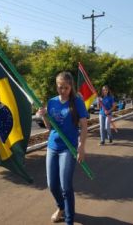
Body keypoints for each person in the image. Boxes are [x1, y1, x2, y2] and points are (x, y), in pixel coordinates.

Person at [37, 71, 88, 224]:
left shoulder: (77, 102)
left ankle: (69, 220)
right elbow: (49, 127)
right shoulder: (52, 102)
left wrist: (81, 146)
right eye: (60, 87)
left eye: (66, 88)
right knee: (52, 185)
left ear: (71, 86)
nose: (63, 91)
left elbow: (84, 126)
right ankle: (61, 207)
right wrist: (44, 115)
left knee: (66, 187)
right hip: (52, 146)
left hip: (69, 148)